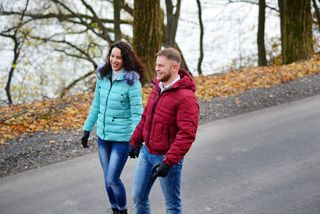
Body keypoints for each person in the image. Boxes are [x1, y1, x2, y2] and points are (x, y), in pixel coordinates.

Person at [129, 47, 199, 214]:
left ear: (174, 67)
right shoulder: (157, 88)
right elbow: (146, 116)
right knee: (138, 196)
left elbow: (187, 135)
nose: (156, 69)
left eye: (161, 66)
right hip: (147, 153)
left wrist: (168, 162)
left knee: (172, 205)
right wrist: (135, 140)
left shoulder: (186, 98)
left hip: (167, 158)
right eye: (156, 65)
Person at [81, 41, 144, 214]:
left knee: (112, 179)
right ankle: (115, 209)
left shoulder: (132, 82)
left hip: (122, 139)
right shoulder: (103, 76)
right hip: (103, 136)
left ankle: (122, 210)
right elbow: (96, 105)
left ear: (126, 59)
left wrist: (135, 140)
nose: (115, 60)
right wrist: (87, 130)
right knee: (106, 179)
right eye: (113, 56)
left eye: (119, 57)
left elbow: (137, 115)